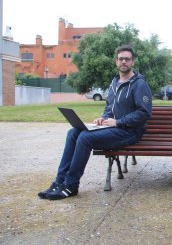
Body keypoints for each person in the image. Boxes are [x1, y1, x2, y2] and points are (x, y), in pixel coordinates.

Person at [38, 45, 152, 200]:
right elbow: (110, 107)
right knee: (73, 133)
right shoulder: (114, 83)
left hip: (130, 132)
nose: (124, 62)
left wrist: (118, 122)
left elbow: (144, 113)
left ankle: (70, 186)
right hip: (114, 128)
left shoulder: (139, 84)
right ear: (116, 62)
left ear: (132, 62)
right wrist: (103, 119)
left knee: (85, 138)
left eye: (127, 59)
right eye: (121, 59)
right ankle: (59, 182)